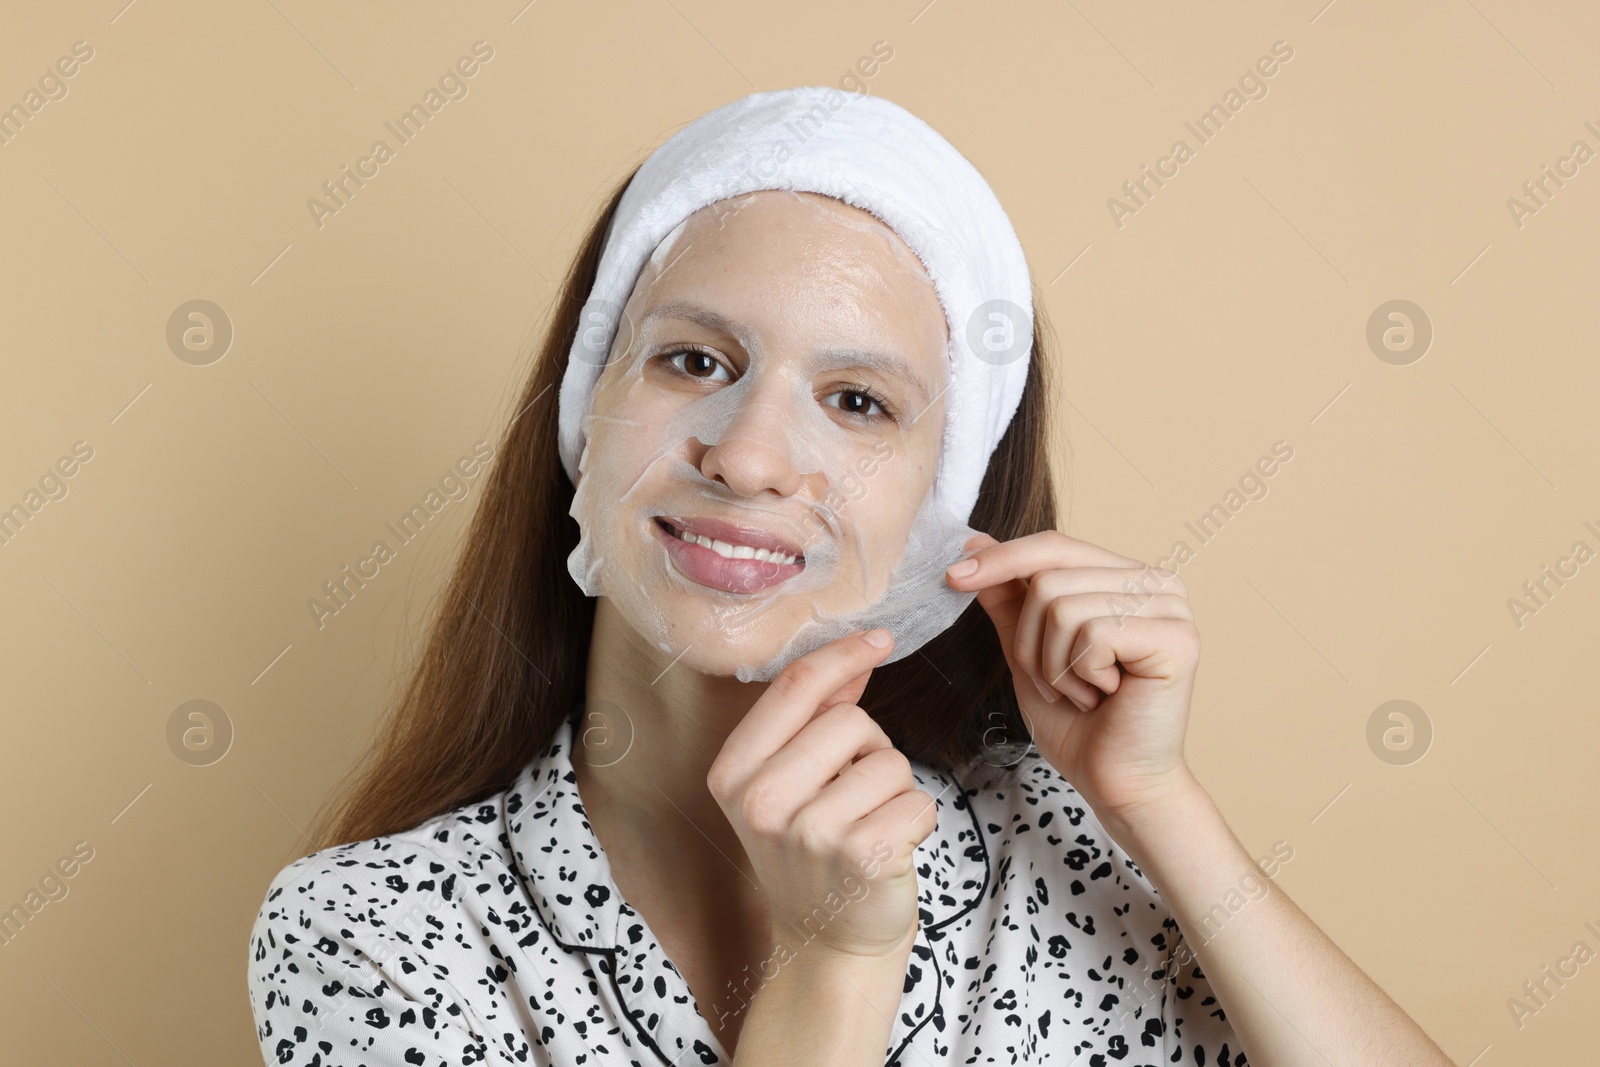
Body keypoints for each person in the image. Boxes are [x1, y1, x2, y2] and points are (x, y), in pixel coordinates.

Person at [247, 87, 1452, 1067]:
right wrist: (834, 966)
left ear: (946, 510)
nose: (751, 454)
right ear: (583, 413)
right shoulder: (376, 932)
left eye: (858, 401)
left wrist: (1155, 802)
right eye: (690, 359)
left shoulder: (1061, 845)